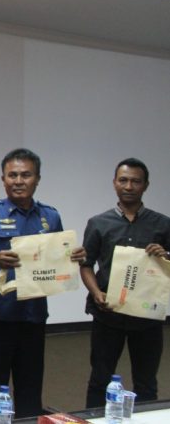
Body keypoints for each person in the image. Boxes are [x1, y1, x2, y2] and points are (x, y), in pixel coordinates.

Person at [0, 148, 86, 417]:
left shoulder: (50, 216)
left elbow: (58, 258)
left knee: (30, 385)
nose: (18, 181)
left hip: (33, 313)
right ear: (3, 179)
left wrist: (74, 256)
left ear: (37, 179)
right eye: (12, 175)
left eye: (25, 175)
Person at [80, 158, 170, 408]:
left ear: (145, 185)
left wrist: (166, 255)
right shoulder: (98, 223)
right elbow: (86, 264)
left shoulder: (163, 224)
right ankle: (95, 419)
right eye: (123, 180)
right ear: (114, 183)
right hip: (108, 313)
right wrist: (95, 292)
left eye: (135, 181)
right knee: (100, 378)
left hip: (147, 317)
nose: (129, 186)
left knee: (146, 382)